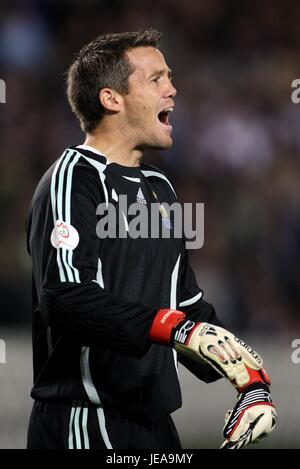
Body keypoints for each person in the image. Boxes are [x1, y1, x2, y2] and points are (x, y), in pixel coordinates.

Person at [26, 29, 277, 450]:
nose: (173, 89)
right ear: (112, 99)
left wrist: (250, 382)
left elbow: (187, 307)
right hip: (86, 419)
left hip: (155, 425)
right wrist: (173, 328)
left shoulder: (161, 189)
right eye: (156, 79)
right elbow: (66, 296)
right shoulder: (73, 178)